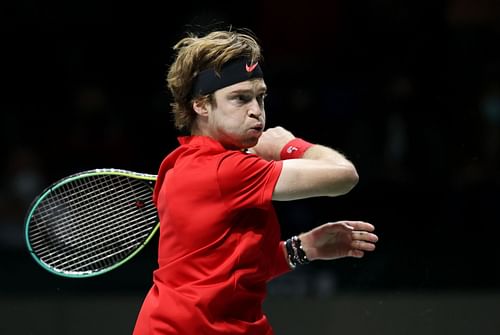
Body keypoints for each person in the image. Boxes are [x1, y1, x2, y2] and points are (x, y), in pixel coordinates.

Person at [133, 27, 378, 335]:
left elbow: (233, 270)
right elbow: (344, 176)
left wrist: (307, 247)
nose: (256, 112)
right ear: (201, 105)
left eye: (260, 97)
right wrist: (287, 146)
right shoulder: (228, 170)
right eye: (239, 99)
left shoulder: (180, 164)